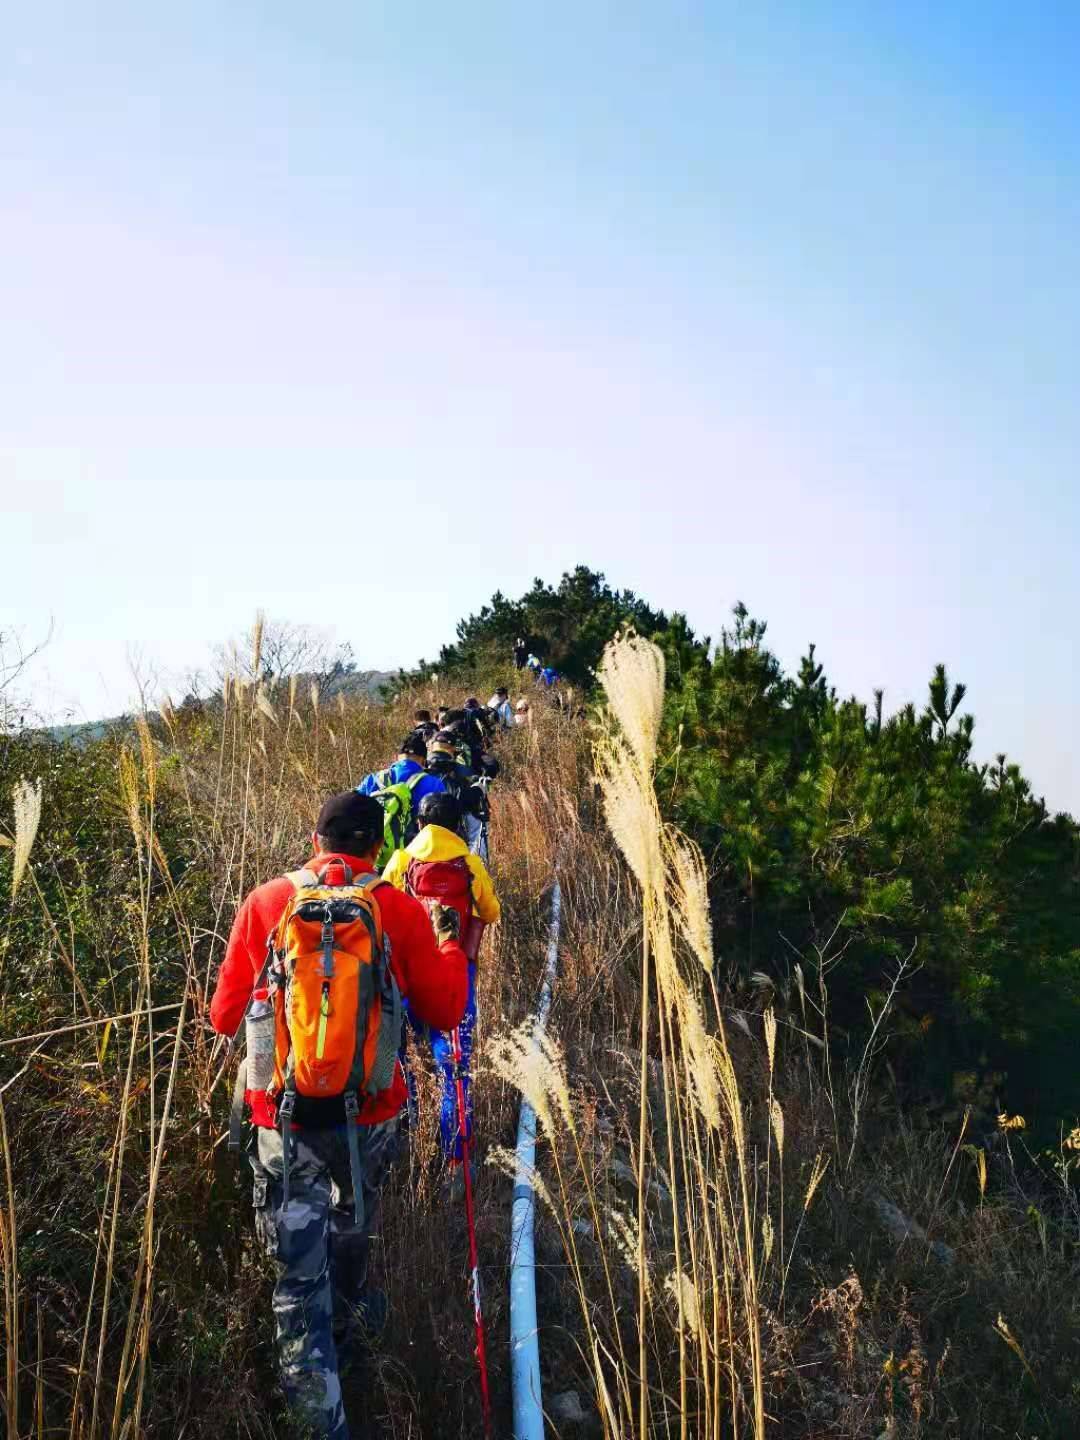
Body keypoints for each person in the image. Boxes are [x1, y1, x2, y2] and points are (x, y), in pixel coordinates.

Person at [210, 792, 468, 1440]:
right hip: (369, 1119)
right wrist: (451, 949)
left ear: (315, 838)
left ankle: (317, 1411)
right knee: (354, 1228)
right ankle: (350, 1328)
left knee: (297, 1285)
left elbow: (221, 1018)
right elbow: (443, 1012)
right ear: (378, 846)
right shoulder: (397, 908)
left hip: (282, 1119)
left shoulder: (267, 902)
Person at [382, 792, 500, 1168]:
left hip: (407, 978)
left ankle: (408, 1138)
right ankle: (454, 1159)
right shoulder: (468, 862)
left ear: (418, 824)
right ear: (458, 826)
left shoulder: (402, 861)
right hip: (453, 976)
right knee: (455, 1070)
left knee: (401, 1061)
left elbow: (382, 911)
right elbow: (491, 911)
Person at [425, 732, 490, 855]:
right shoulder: (461, 772)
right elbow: (473, 818)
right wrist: (478, 790)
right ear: (452, 750)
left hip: (420, 846)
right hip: (453, 845)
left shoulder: (419, 770)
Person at [355, 734, 445, 809]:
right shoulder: (435, 784)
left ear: (396, 757)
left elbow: (352, 805)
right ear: (424, 761)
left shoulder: (374, 779)